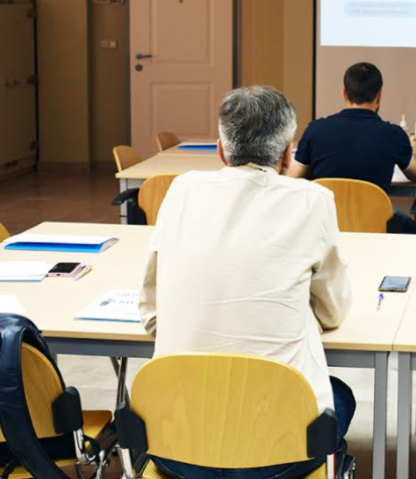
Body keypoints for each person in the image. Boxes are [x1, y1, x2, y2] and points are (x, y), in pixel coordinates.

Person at [138, 87, 354, 478]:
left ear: (220, 150)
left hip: (176, 445)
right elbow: (332, 310)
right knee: (342, 398)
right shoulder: (313, 200)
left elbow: (152, 312)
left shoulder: (181, 190)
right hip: (280, 452)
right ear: (288, 155)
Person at [287, 62, 416, 233]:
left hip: (325, 227)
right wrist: (414, 153)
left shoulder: (315, 130)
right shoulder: (394, 134)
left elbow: (293, 175)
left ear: (344, 93)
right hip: (374, 227)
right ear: (379, 96)